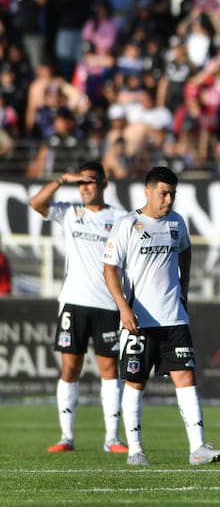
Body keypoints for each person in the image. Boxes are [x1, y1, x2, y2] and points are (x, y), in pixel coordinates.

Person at [102, 166, 220, 466]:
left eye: (172, 194)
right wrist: (123, 308)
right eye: (163, 193)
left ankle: (197, 448)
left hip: (174, 317)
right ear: (147, 191)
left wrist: (184, 288)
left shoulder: (176, 223)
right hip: (139, 321)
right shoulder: (128, 224)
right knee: (136, 382)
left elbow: (185, 251)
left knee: (186, 377)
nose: (168, 199)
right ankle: (135, 450)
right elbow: (109, 269)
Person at [28, 160, 128, 454]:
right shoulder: (70, 212)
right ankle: (66, 437)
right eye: (81, 183)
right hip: (74, 301)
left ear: (104, 184)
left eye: (91, 181)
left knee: (109, 369)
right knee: (70, 367)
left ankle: (112, 438)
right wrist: (61, 180)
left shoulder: (120, 218)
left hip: (109, 304)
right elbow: (36, 202)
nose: (85, 187)